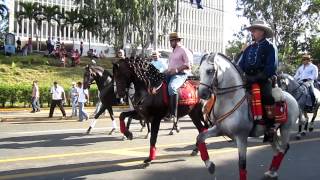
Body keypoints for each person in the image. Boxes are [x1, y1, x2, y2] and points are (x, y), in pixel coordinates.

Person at [238, 21, 278, 142]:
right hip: (248, 78)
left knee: (267, 97)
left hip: (264, 78)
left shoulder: (270, 46)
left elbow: (272, 66)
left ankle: (270, 126)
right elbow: (240, 64)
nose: (252, 33)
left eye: (254, 30)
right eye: (252, 30)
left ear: (261, 32)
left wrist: (259, 76)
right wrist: (242, 74)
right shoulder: (249, 47)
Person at [165, 32, 193, 122]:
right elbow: (170, 65)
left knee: (172, 87)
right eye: (170, 41)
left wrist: (177, 70)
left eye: (171, 41)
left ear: (177, 41)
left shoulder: (183, 50)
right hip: (170, 74)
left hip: (181, 74)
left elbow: (189, 64)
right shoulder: (173, 51)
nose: (170, 43)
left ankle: (173, 114)